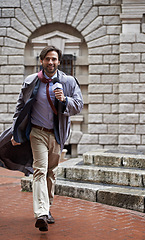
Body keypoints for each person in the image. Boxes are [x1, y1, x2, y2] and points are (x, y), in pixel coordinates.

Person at [0, 46, 83, 231]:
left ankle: (48, 207)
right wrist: (16, 131)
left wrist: (65, 100)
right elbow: (20, 108)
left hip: (57, 133)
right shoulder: (31, 81)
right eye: (47, 59)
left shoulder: (68, 82)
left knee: (51, 172)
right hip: (37, 132)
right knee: (40, 170)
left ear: (59, 62)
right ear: (41, 61)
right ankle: (41, 213)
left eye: (54, 59)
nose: (51, 62)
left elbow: (78, 105)